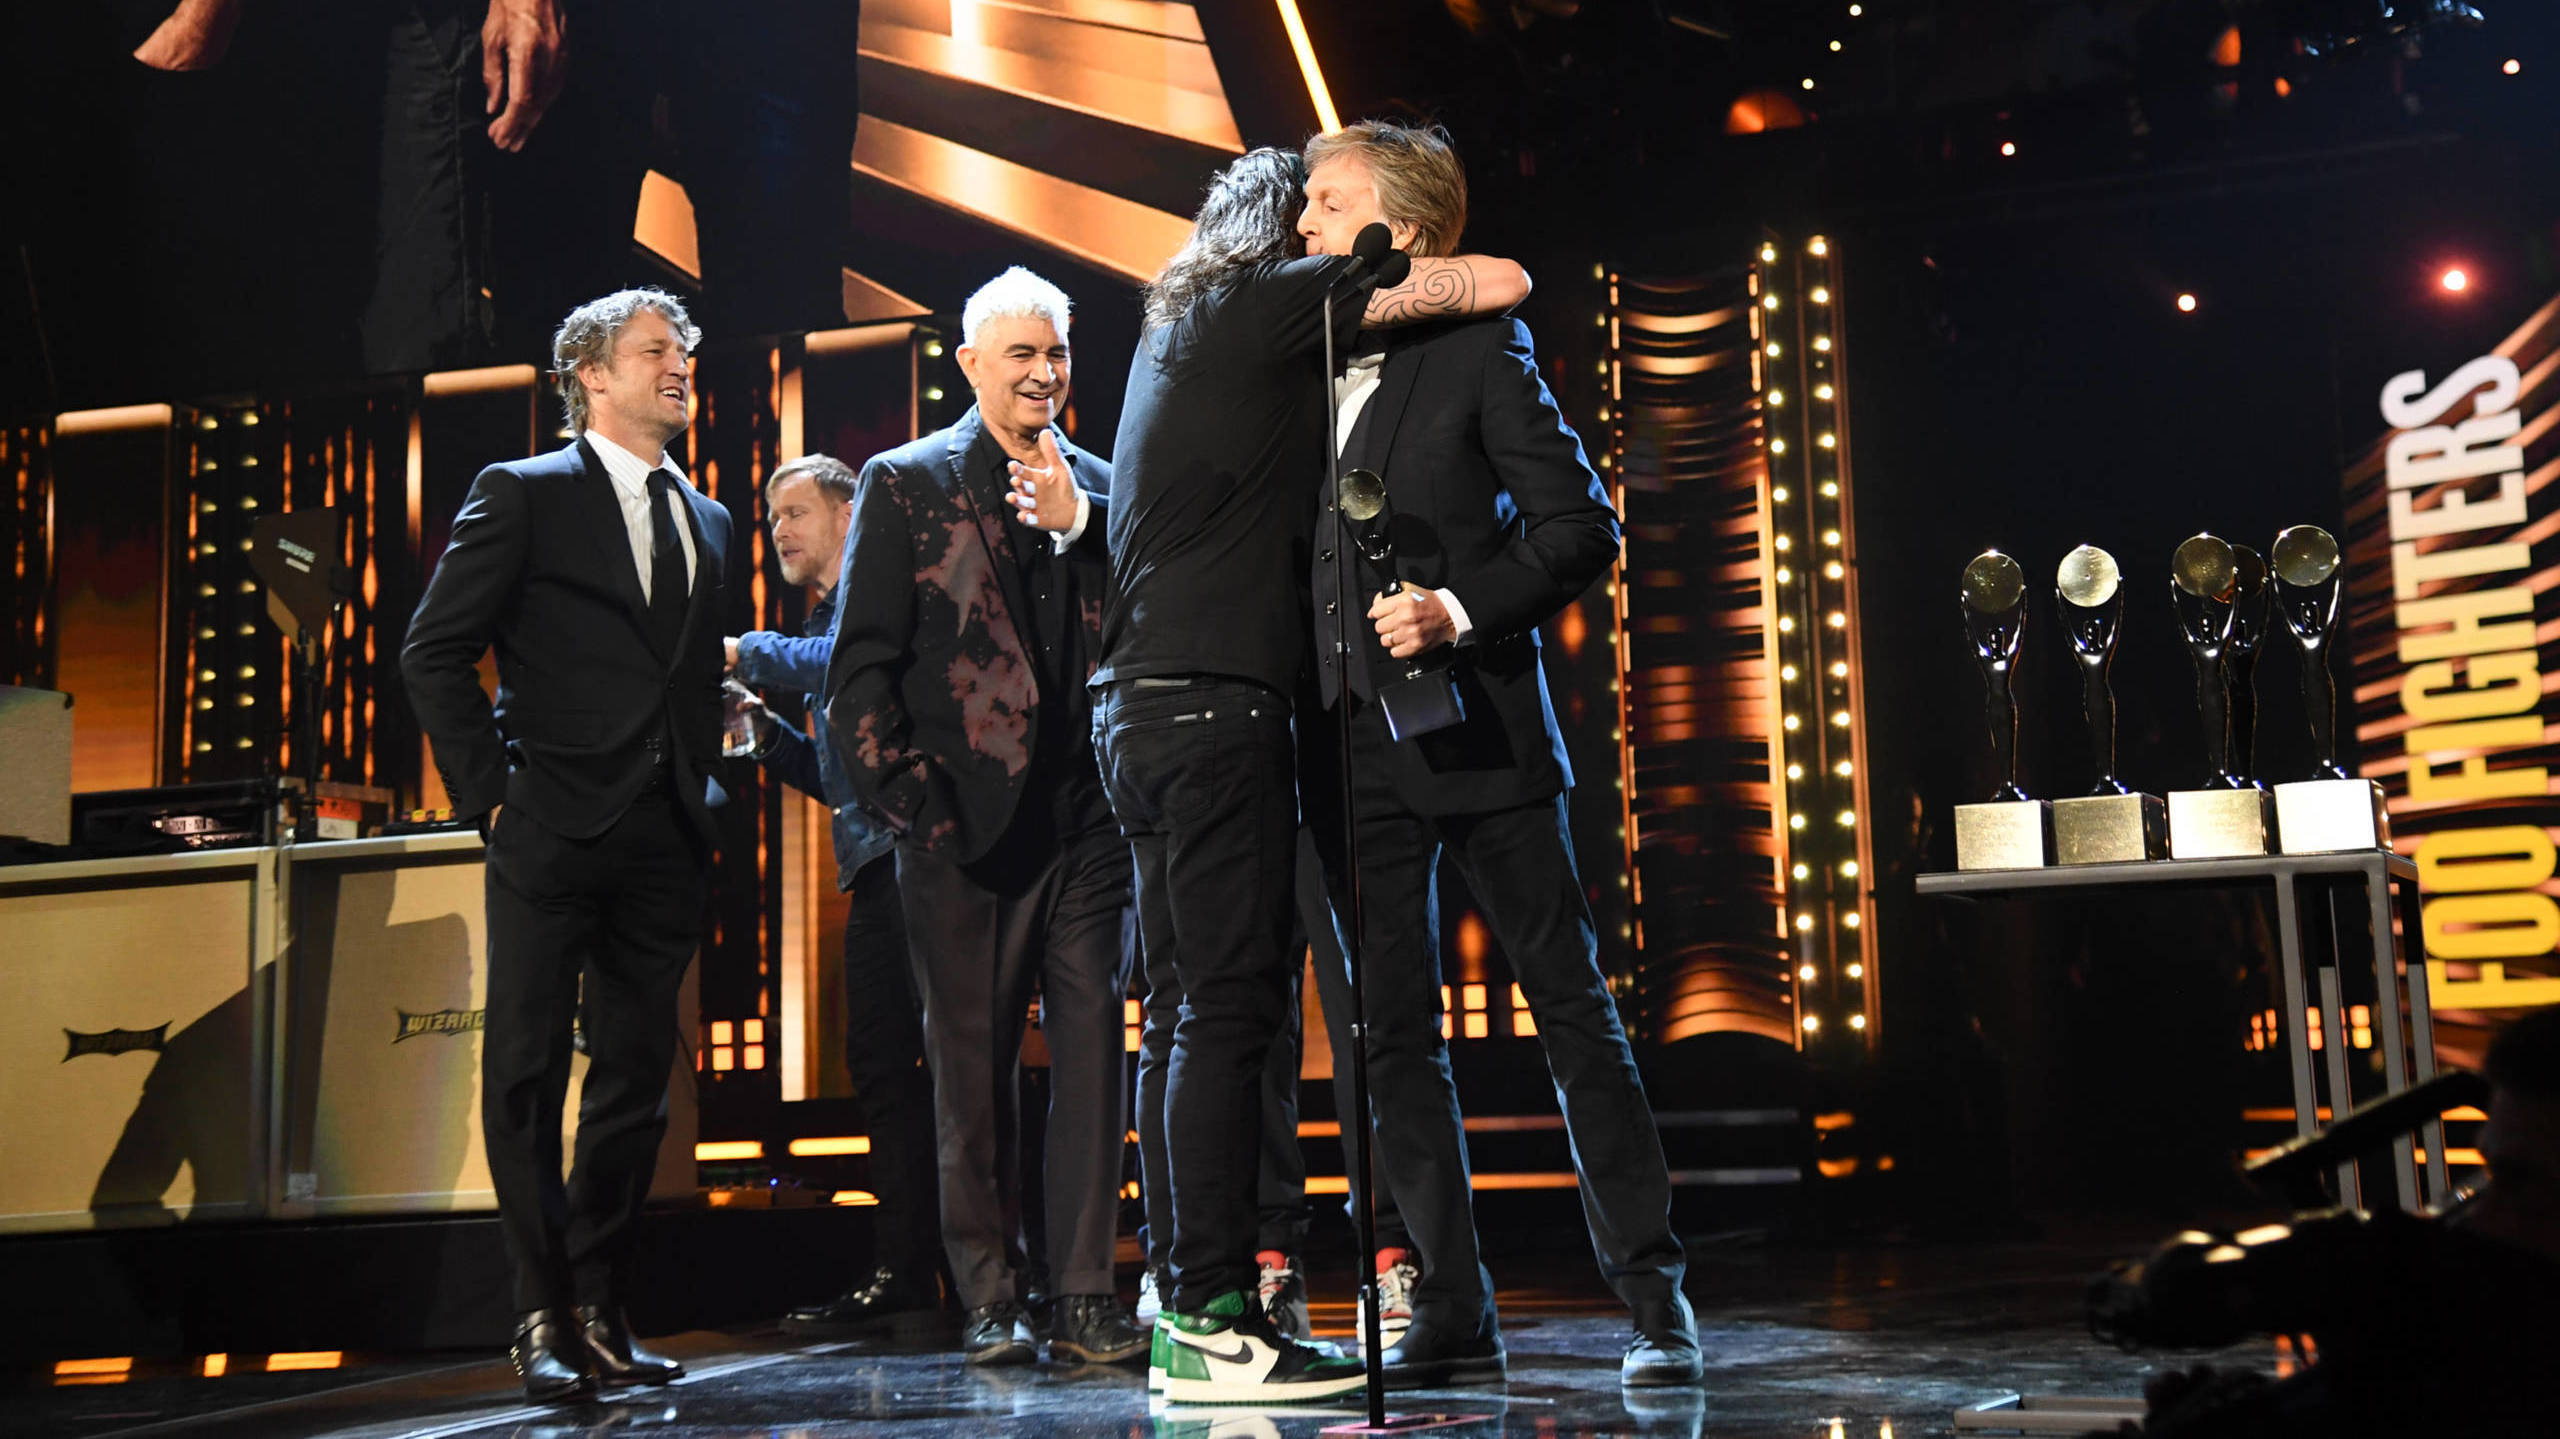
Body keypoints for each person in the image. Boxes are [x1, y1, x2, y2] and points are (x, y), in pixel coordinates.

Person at [1089, 144, 1529, 1403]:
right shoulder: (1259, 297)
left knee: (1181, 1017)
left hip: (1137, 711)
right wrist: (1390, 257)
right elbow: (1491, 276)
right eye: (1310, 211)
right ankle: (1219, 1316)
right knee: (1229, 1016)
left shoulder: (1176, 324)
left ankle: (1184, 1313)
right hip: (1213, 708)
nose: (1320, 230)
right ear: (1272, 231)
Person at [1294, 120, 1703, 1388]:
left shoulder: (1479, 349)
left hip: (1479, 734)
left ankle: (1654, 1299)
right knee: (1387, 1035)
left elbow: (1582, 526)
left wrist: (1456, 608)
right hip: (1348, 749)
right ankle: (1451, 1304)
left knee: (1571, 1012)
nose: (1302, 218)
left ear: (1398, 230)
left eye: (1324, 199)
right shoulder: (1294, 361)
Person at [401, 287, 730, 1402]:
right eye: (655, 352)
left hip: (664, 833)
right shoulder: (523, 492)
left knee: (636, 1082)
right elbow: (434, 651)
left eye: (682, 351)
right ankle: (537, 1307)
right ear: (591, 374)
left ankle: (598, 1303)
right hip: (548, 826)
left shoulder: (710, 517)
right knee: (527, 1070)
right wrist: (493, 796)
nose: (679, 364)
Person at [820, 267, 1147, 1368]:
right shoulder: (906, 481)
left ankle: (1089, 1288)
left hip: (1088, 819)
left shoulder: (1104, 484)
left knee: (1097, 1054)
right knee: (970, 1073)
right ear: (969, 364)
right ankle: (992, 1291)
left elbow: (1142, 619)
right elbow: (857, 669)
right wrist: (909, 802)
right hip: (959, 823)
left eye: (1055, 353)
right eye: (1020, 354)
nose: (1043, 374)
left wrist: (1078, 526)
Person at [717, 455, 946, 1337]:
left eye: (794, 511)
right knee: (886, 1068)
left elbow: (840, 661)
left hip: (920, 857)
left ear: (850, 513)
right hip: (876, 861)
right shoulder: (820, 628)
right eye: (771, 516)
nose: (778, 530)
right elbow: (839, 773)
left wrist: (745, 650)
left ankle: (955, 1266)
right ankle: (907, 1263)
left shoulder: (876, 598)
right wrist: (764, 737)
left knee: (927, 1067)